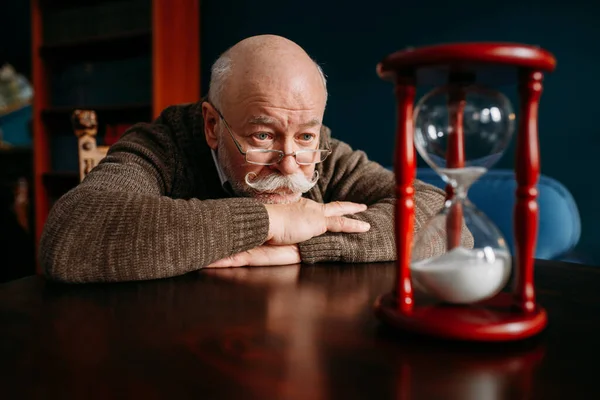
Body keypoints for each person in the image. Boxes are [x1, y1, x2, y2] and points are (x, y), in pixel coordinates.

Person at [39, 35, 451, 283]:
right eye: (263, 135)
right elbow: (72, 236)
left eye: (305, 135)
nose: (290, 165)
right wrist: (276, 222)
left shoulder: (318, 148)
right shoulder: (162, 145)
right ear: (212, 125)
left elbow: (445, 220)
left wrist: (303, 247)